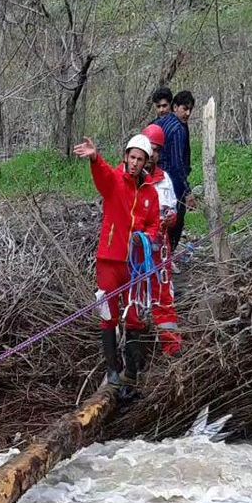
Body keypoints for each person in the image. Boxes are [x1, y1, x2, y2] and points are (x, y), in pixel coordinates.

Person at [72, 134, 161, 396]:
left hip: (135, 265)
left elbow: (154, 224)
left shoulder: (150, 193)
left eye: (139, 159)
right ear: (125, 157)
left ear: (145, 162)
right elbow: (102, 175)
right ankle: (112, 369)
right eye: (131, 157)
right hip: (109, 261)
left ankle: (131, 374)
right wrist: (95, 158)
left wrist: (146, 238)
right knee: (108, 314)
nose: (134, 163)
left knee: (134, 317)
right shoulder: (113, 181)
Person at [140, 123, 182, 357]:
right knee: (134, 297)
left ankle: (171, 346)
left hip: (160, 250)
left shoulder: (164, 178)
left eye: (157, 149)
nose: (152, 154)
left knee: (164, 294)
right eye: (149, 148)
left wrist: (170, 218)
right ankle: (135, 348)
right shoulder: (130, 177)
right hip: (137, 250)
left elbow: (173, 210)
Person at [152, 89, 194, 249]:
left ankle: (159, 255)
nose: (188, 113)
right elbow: (177, 165)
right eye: (185, 108)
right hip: (170, 181)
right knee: (175, 218)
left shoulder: (159, 123)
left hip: (157, 179)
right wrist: (187, 191)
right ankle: (167, 257)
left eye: (190, 109)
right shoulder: (177, 129)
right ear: (176, 107)